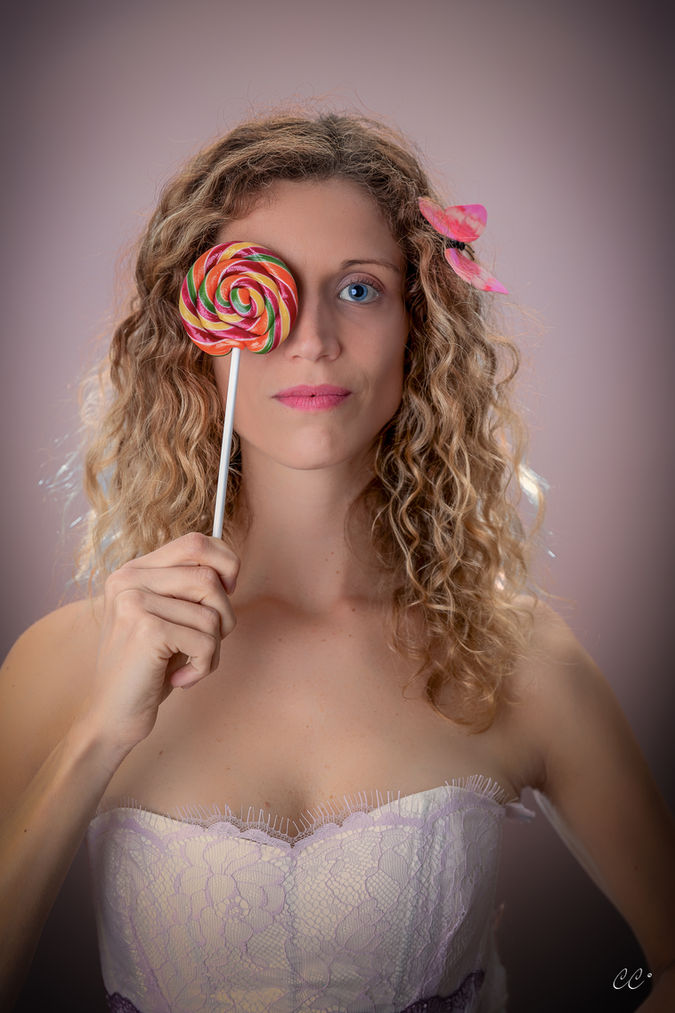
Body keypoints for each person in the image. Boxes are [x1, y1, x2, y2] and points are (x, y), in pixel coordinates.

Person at [0, 110, 673, 1013]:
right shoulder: (66, 662)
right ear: (194, 335)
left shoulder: (514, 660)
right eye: (266, 288)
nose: (311, 338)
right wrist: (98, 738)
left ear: (418, 326)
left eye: (358, 290)